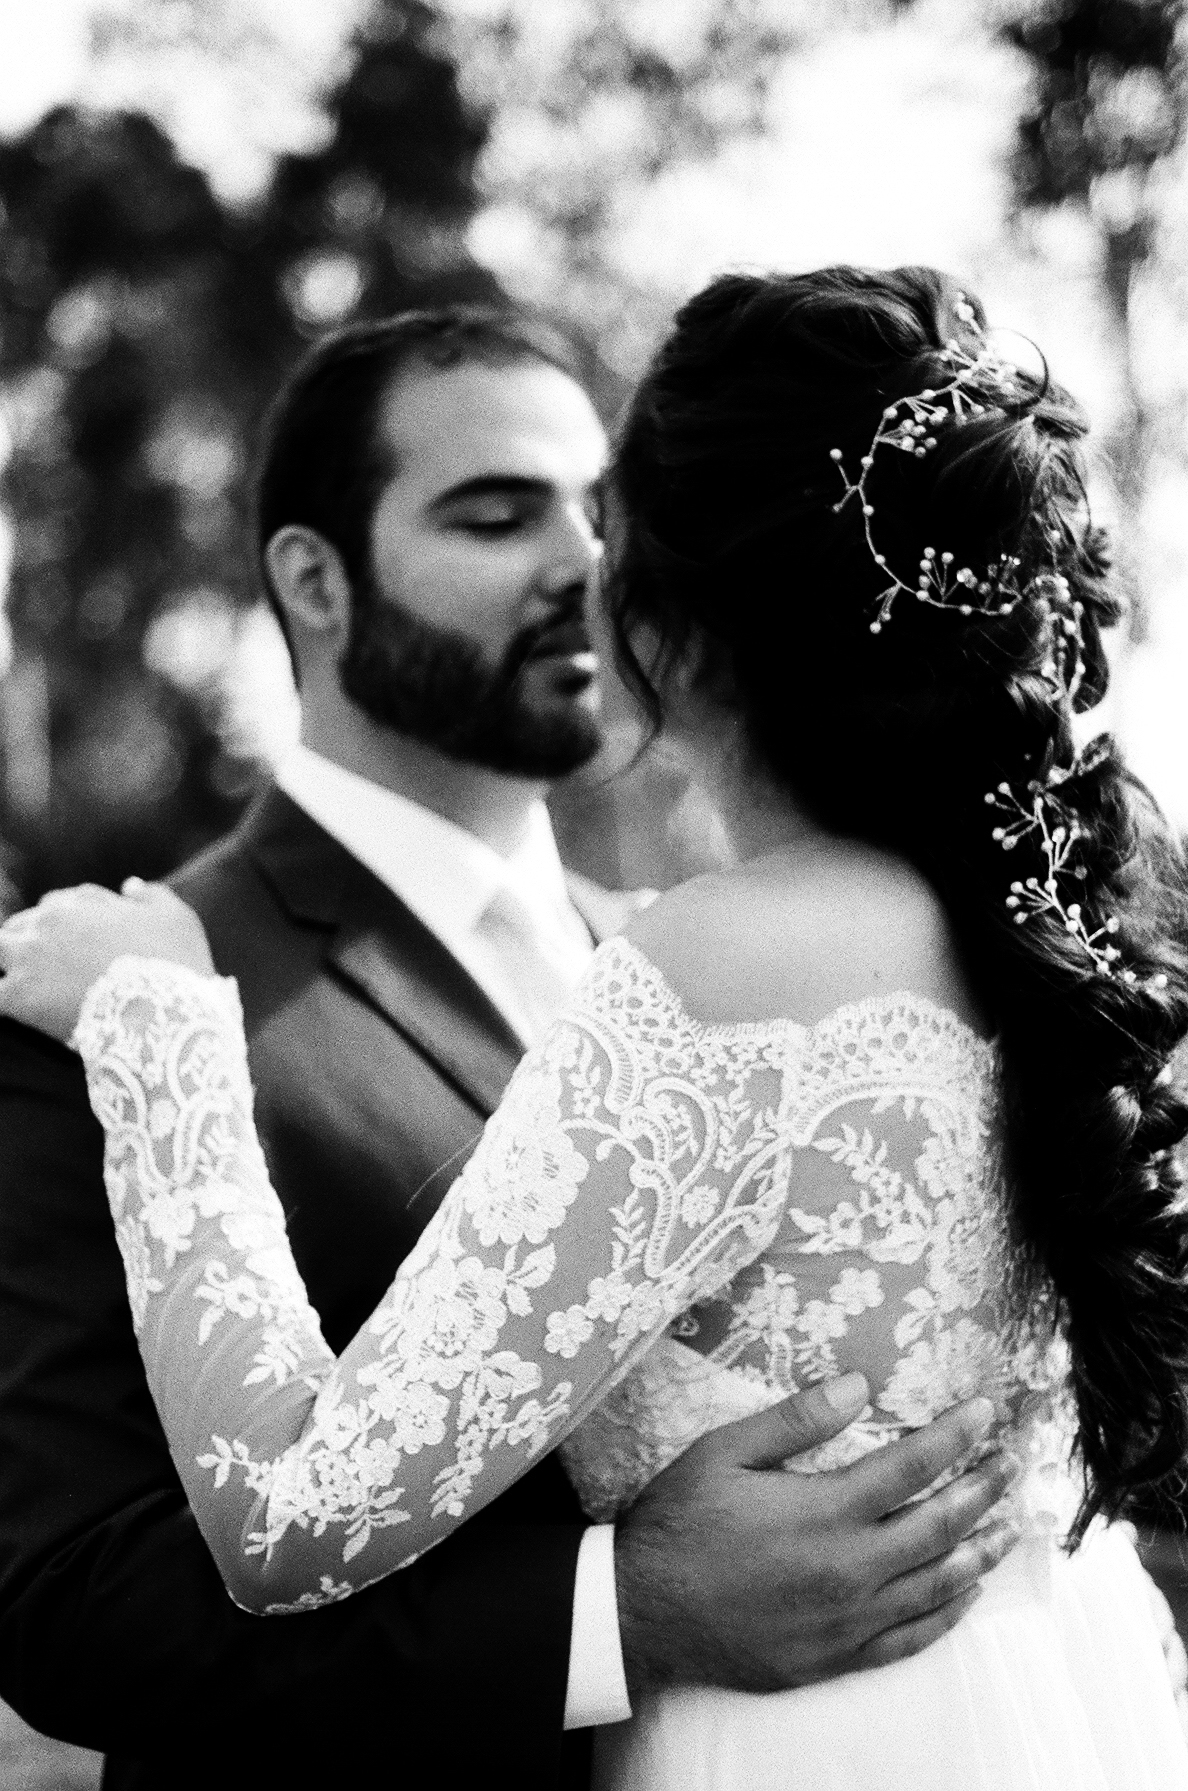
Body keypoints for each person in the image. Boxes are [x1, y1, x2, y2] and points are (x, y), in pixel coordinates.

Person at [0, 304, 1017, 1791]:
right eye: (494, 516)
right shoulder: (116, 991)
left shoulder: (722, 959)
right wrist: (622, 1612)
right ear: (313, 581)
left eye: (599, 517)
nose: (580, 567)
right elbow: (69, 1606)